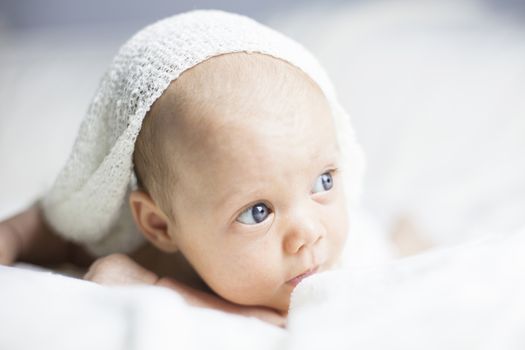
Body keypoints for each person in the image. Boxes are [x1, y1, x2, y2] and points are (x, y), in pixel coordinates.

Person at [0, 10, 366, 328]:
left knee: (398, 237)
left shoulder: (344, 267)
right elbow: (56, 226)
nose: (309, 233)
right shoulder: (138, 246)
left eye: (323, 181)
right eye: (258, 212)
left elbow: (272, 322)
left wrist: (157, 288)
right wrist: (10, 239)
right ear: (159, 225)